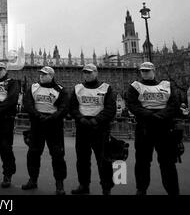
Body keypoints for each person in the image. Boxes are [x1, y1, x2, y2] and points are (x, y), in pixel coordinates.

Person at [127, 62, 180, 195]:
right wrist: (150, 115)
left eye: (148, 70)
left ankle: (173, 190)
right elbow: (133, 105)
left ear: (154, 70)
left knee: (167, 162)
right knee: (142, 162)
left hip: (165, 128)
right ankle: (141, 189)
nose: (145, 73)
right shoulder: (135, 86)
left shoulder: (166, 85)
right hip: (145, 128)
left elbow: (174, 104)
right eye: (143, 71)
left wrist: (161, 115)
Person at [69, 63, 116, 195]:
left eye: (90, 72)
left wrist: (96, 120)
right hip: (83, 128)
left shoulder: (106, 88)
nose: (87, 75)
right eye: (85, 72)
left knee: (104, 160)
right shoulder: (78, 88)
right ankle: (84, 185)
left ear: (96, 73)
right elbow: (72, 107)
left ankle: (106, 188)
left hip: (100, 129)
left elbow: (110, 109)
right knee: (82, 160)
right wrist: (80, 119)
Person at [22, 66, 69, 194]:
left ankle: (59, 184)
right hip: (37, 125)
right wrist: (38, 116)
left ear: (51, 76)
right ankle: (32, 180)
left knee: (58, 155)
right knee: (33, 153)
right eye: (41, 74)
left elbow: (64, 107)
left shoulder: (60, 90)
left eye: (45, 74)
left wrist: (53, 117)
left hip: (54, 126)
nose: (41, 76)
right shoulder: (33, 88)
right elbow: (28, 104)